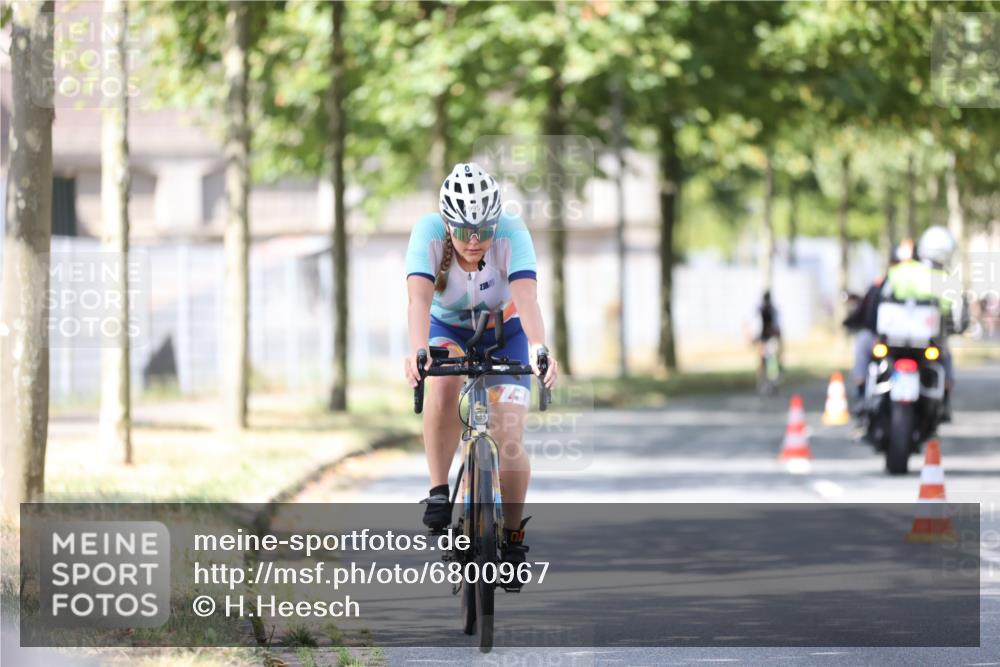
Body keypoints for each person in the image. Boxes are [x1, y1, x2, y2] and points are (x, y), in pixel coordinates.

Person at [403, 162, 558, 576]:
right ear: (447, 223)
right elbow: (418, 301)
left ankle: (511, 536)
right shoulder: (429, 232)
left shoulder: (512, 232)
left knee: (509, 435)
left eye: (484, 231)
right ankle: (438, 490)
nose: (475, 241)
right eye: (464, 231)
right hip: (446, 325)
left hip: (505, 327)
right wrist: (419, 351)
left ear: (495, 222)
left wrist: (540, 347)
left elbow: (526, 299)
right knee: (445, 379)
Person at [878, 226, 960, 419]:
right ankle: (945, 403)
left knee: (872, 358)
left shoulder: (901, 270)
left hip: (892, 340)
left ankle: (862, 395)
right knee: (945, 360)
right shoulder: (945, 280)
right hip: (928, 343)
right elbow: (954, 315)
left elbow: (881, 297)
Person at [754, 290, 782, 382]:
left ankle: (771, 380)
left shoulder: (771, 310)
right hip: (765, 338)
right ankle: (763, 380)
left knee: (770, 360)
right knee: (765, 360)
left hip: (769, 338)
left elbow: (776, 325)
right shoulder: (762, 309)